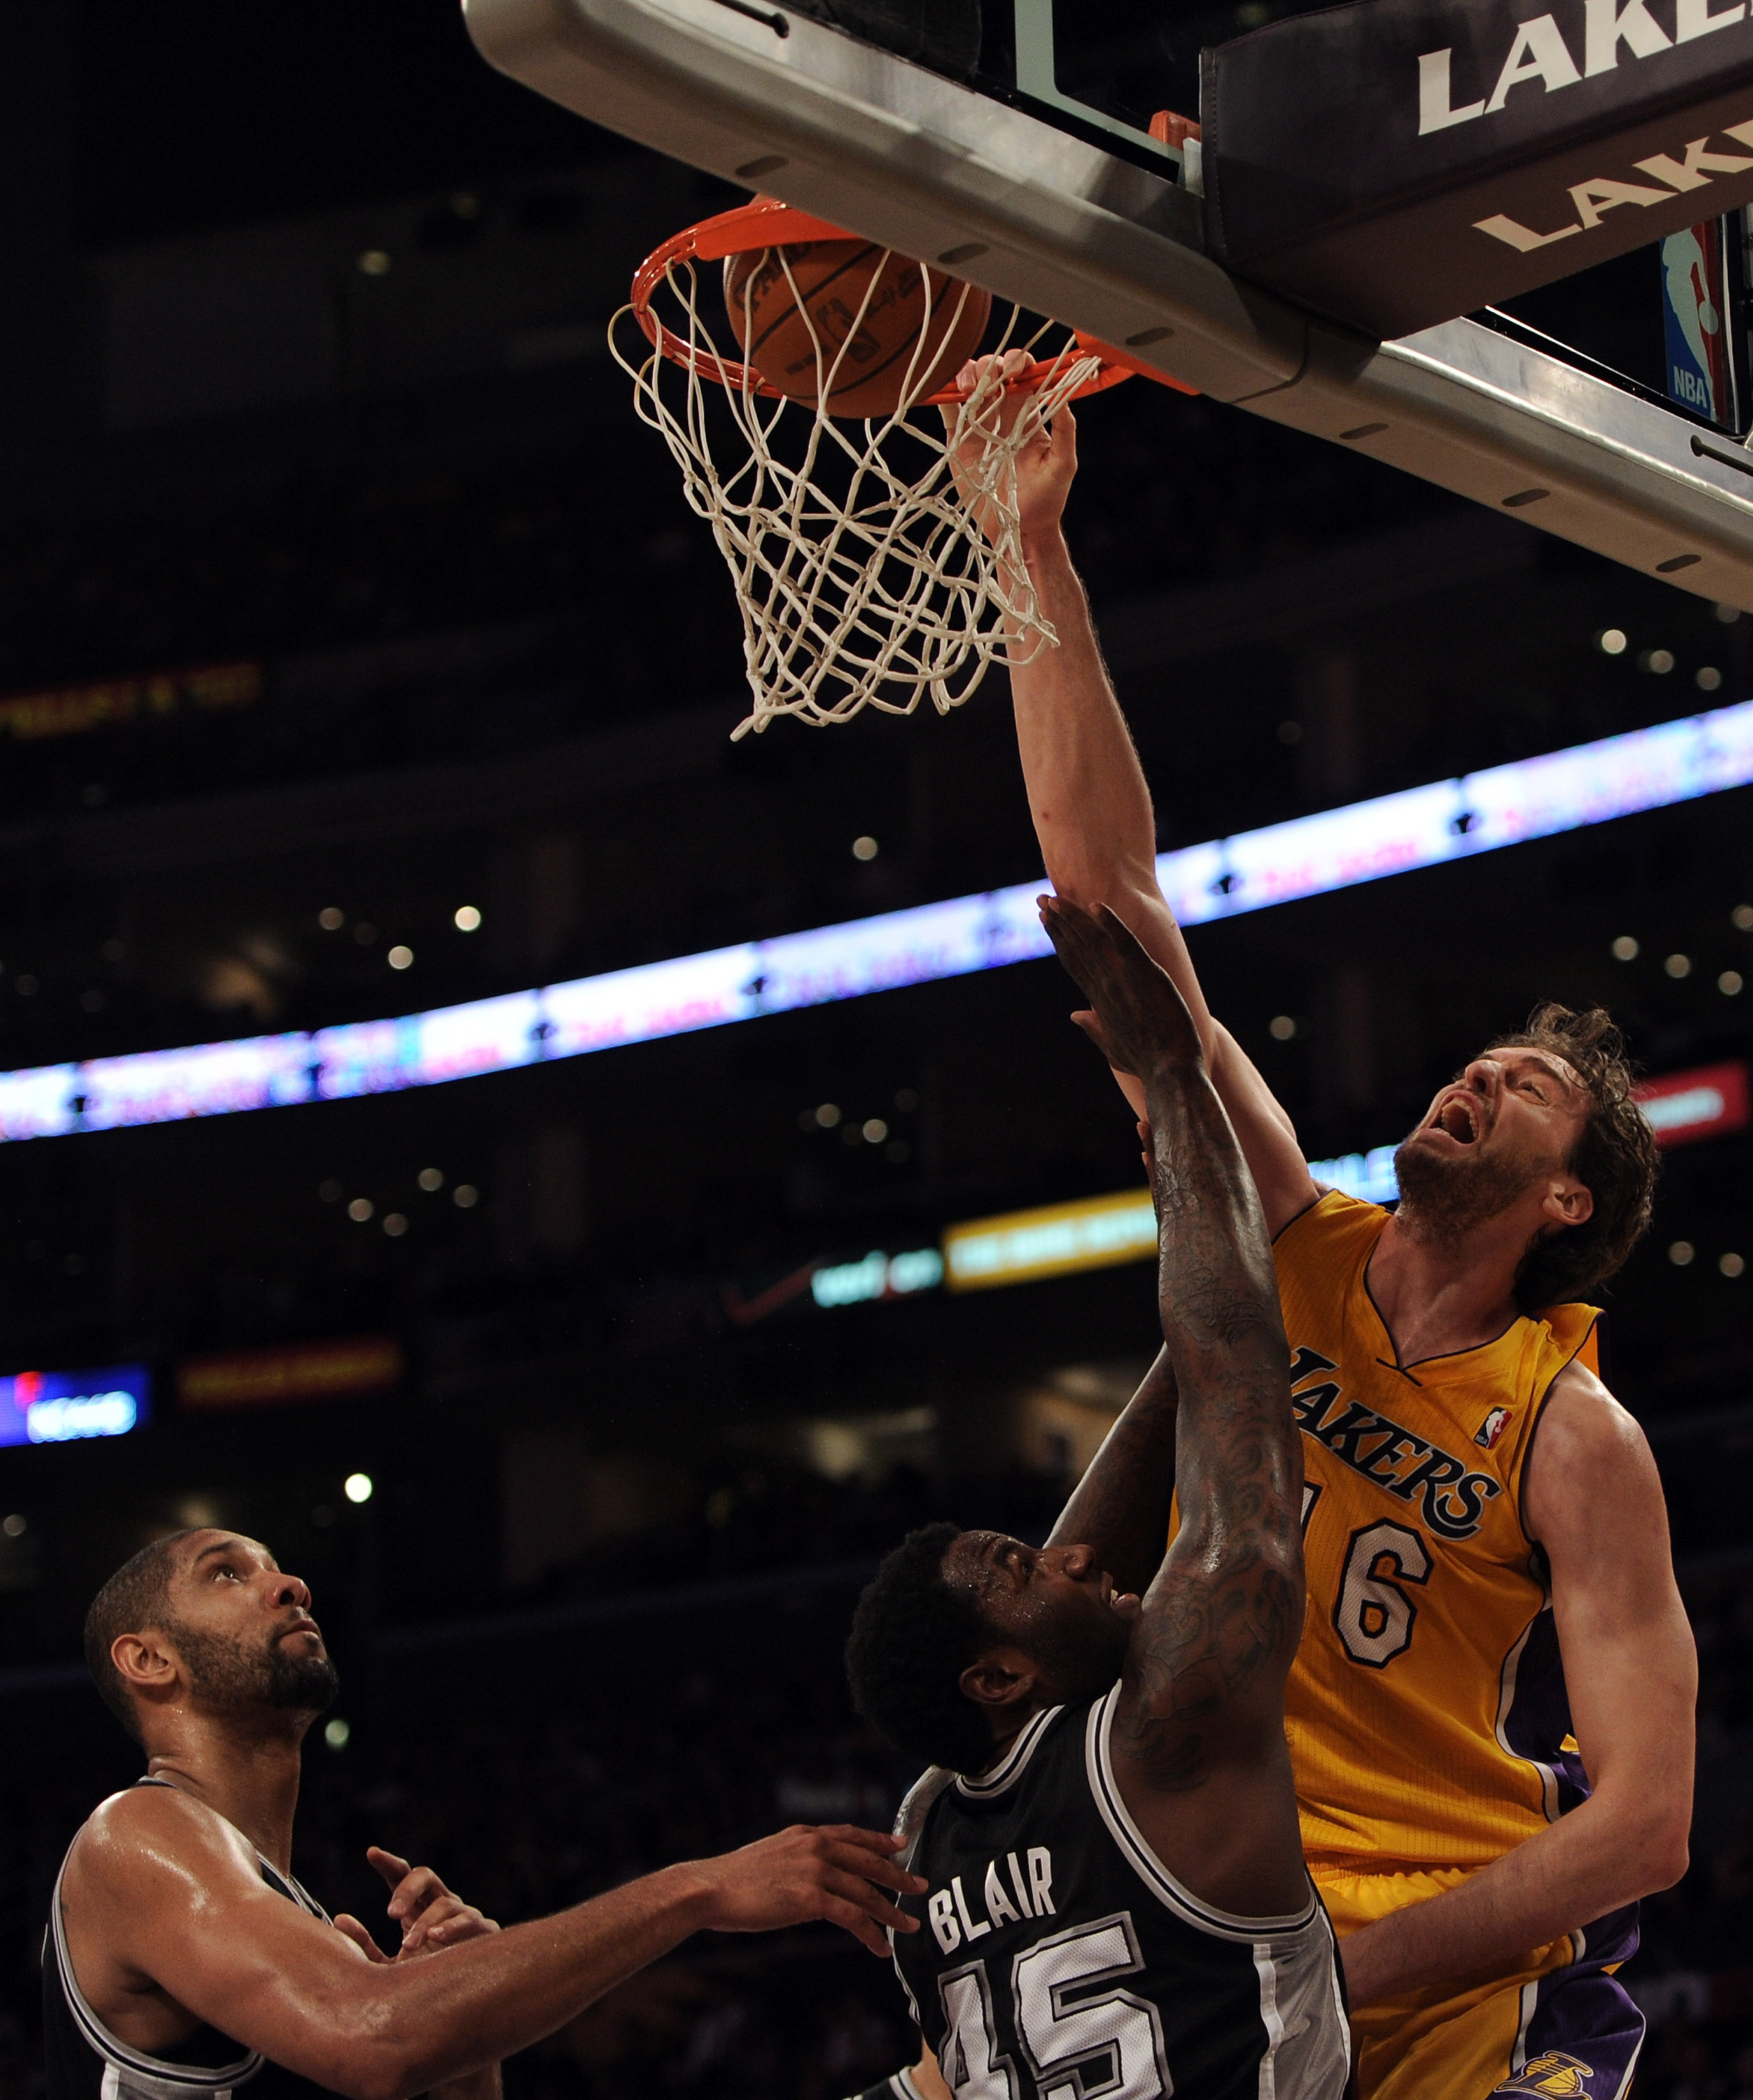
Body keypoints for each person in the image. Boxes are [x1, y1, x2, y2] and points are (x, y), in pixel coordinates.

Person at [962, 355, 1696, 2098]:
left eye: (1520, 1088)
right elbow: (1111, 902)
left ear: (1565, 1195)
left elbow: (1645, 1827)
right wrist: (1029, 551)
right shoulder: (1283, 1241)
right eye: (1477, 1059)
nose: (1473, 1076)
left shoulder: (1570, 1434)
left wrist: (1348, 1969)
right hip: (1213, 1929)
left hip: (1439, 1977)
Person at [844, 895, 1351, 2099]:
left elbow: (1054, 1604)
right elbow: (1237, 1388)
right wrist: (1175, 1081)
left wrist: (1211, 1225)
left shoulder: (924, 1838)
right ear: (995, 1679)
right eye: (1022, 1567)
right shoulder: (1166, 1733)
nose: (1067, 1554)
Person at [50, 1525, 925, 2100]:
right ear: (148, 1660)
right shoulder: (133, 1835)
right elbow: (369, 2038)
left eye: (276, 1566)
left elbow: (384, 2039)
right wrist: (697, 1889)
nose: (290, 1584)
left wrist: (462, 2051)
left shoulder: (297, 1926)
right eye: (228, 1574)